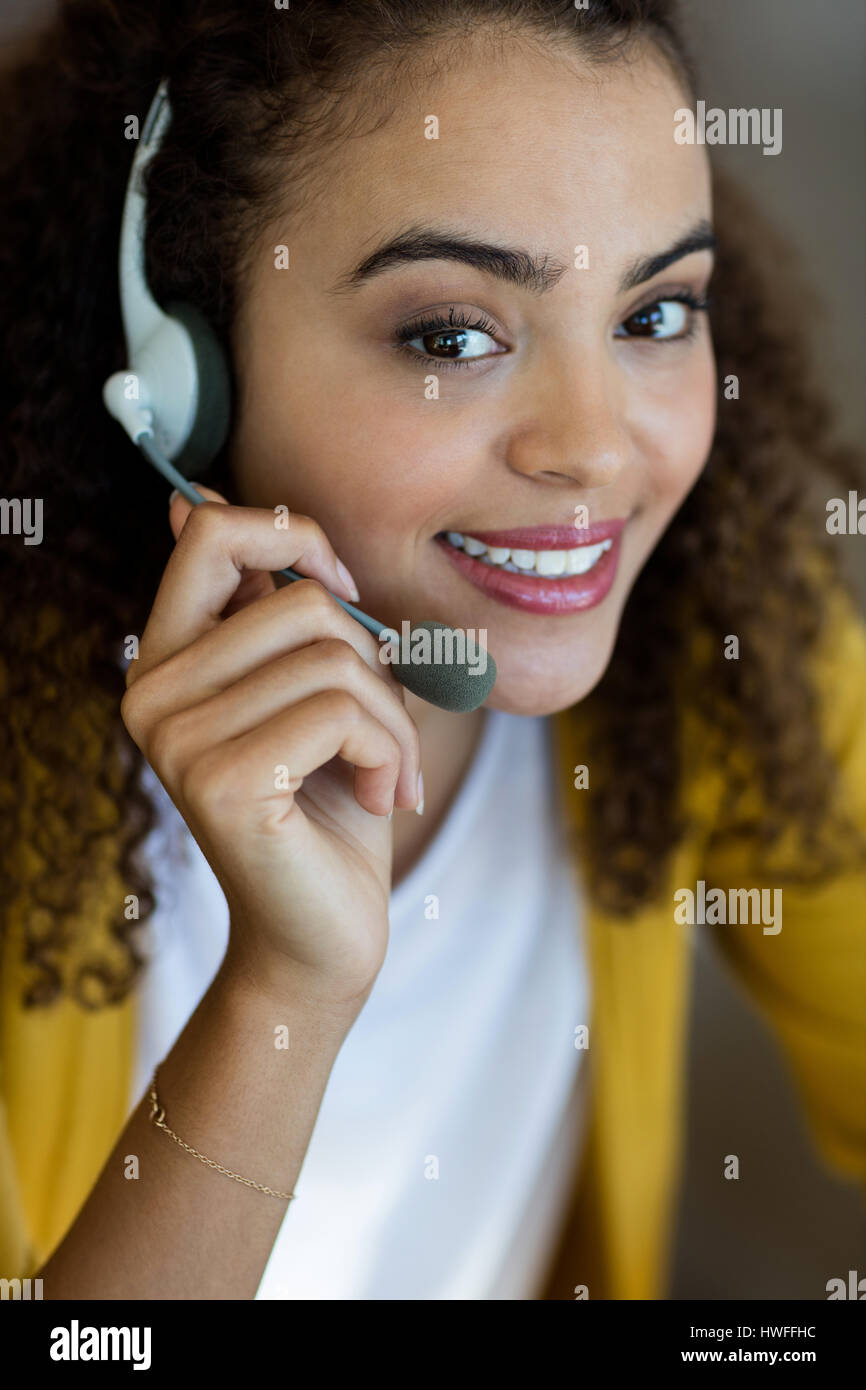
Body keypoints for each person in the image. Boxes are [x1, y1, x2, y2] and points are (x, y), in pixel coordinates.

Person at [0, 0, 863, 1301]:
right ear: (181, 362)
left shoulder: (720, 627)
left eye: (653, 314)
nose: (594, 447)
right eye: (453, 336)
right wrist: (283, 992)